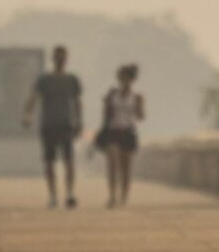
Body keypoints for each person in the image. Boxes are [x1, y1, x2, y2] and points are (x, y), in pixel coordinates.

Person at [23, 46, 83, 209]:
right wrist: (28, 115)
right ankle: (53, 195)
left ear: (66, 59)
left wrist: (79, 122)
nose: (60, 60)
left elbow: (77, 103)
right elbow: (33, 98)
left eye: (62, 57)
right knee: (49, 162)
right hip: (49, 124)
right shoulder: (44, 80)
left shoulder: (72, 80)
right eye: (57, 57)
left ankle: (70, 193)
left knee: (69, 160)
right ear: (53, 58)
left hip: (66, 124)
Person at [96, 64, 145, 208]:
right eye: (122, 77)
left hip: (127, 132)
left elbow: (140, 116)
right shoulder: (112, 94)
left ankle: (123, 196)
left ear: (132, 79)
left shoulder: (136, 96)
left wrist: (139, 106)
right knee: (112, 163)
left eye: (127, 77)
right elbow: (105, 114)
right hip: (113, 132)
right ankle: (112, 195)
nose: (124, 80)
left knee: (125, 167)